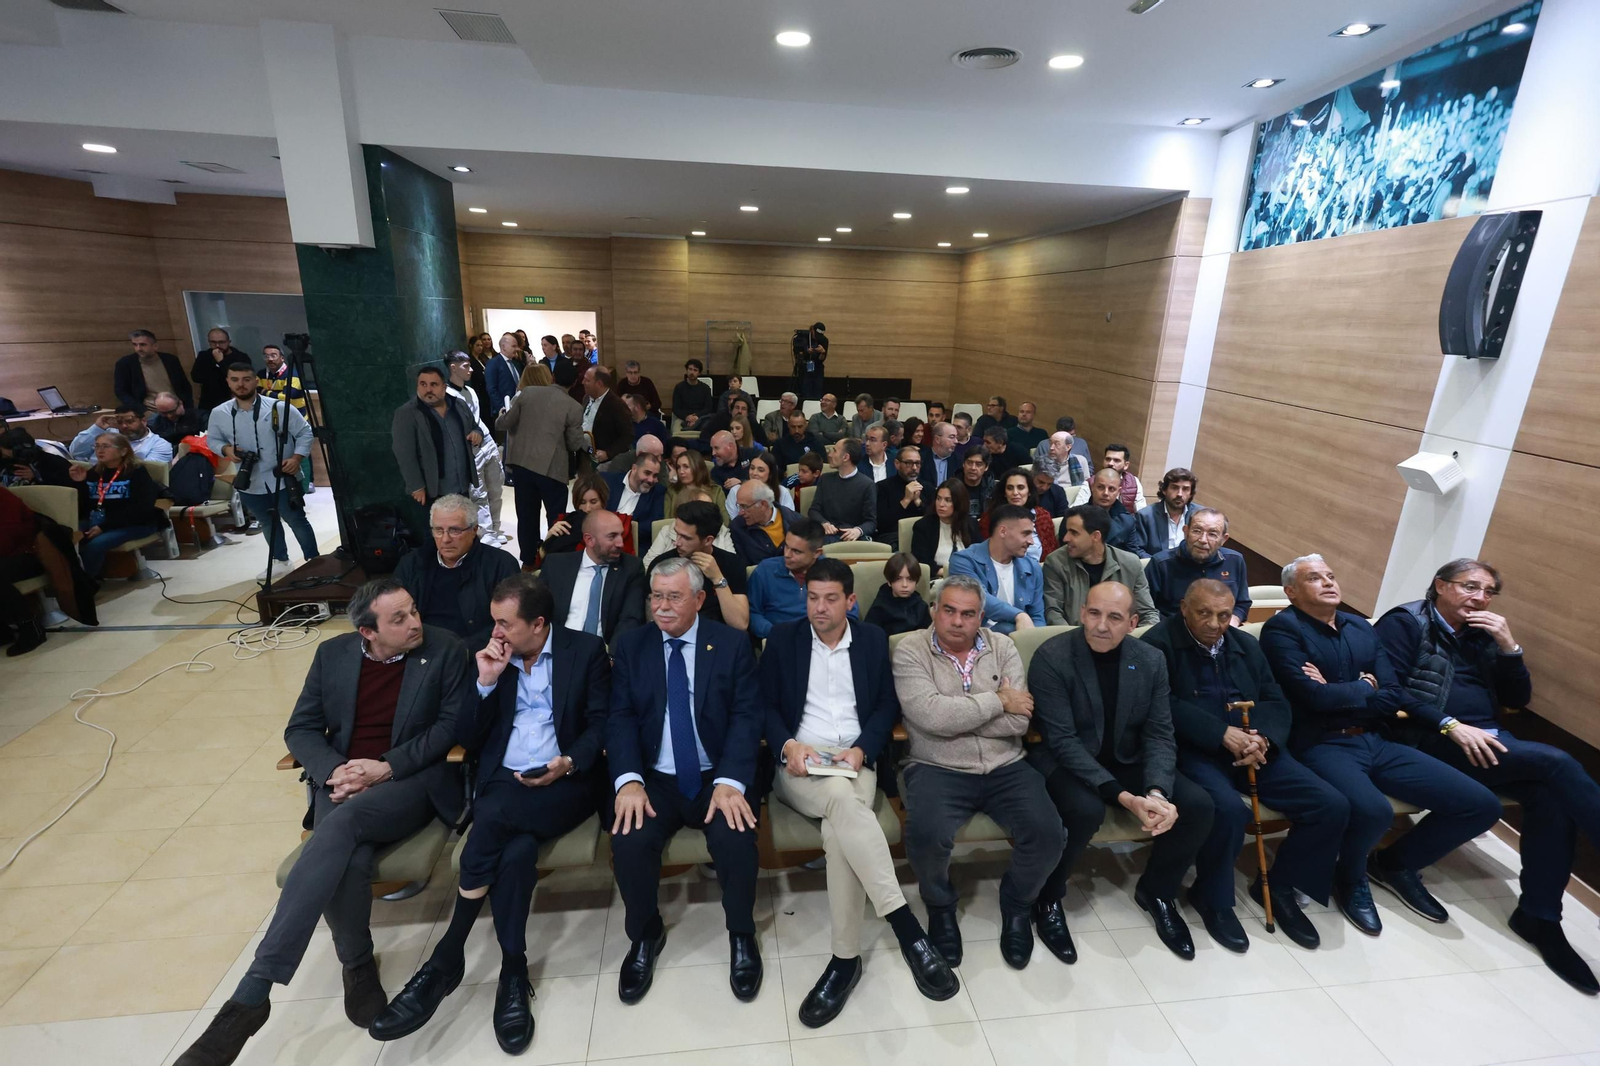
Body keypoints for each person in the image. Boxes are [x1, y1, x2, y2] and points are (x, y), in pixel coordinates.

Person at [172, 579, 470, 1066]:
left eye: (413, 611)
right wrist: (335, 770)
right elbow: (301, 727)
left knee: (338, 832)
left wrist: (385, 766)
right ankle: (357, 965)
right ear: (367, 631)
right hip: (343, 781)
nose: (415, 622)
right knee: (346, 856)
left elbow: (448, 730)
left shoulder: (444, 650)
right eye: (399, 619)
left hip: (407, 782)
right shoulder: (333, 656)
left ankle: (253, 991)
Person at [371, 575, 610, 1053]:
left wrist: (566, 761)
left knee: (495, 818)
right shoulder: (487, 658)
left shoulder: (585, 651)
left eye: (505, 623)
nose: (495, 632)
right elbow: (468, 736)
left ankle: (447, 955)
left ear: (539, 624)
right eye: (494, 620)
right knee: (516, 852)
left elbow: (603, 722)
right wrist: (484, 682)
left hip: (564, 780)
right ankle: (513, 970)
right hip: (505, 777)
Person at [1376, 559, 1600, 993]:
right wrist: (1450, 725)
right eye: (1469, 586)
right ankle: (1394, 865)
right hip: (1428, 737)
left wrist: (1508, 647)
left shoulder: (1482, 634)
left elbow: (1517, 698)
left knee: (1550, 795)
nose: (1480, 597)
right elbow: (1391, 690)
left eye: (1489, 591)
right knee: (1556, 764)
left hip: (1491, 741)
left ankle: (1539, 916)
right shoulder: (1405, 622)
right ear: (1440, 585)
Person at [1261, 554, 1501, 937]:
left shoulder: (1360, 626)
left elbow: (1392, 694)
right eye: (1314, 578)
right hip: (1322, 743)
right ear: (1290, 591)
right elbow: (1311, 699)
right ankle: (1349, 876)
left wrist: (1344, 690)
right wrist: (1363, 686)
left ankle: (1393, 864)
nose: (1328, 582)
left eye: (1331, 575)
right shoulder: (1282, 629)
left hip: (1376, 738)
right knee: (1373, 811)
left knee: (1480, 805)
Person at [763, 558, 957, 1025]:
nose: (819, 608)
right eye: (812, 598)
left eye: (831, 599)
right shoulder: (784, 640)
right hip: (801, 764)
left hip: (854, 761)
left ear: (851, 601)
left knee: (839, 832)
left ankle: (844, 961)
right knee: (842, 805)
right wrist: (788, 744)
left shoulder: (870, 640)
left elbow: (887, 702)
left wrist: (864, 748)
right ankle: (907, 929)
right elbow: (762, 703)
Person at [1143, 581, 1348, 952]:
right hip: (1193, 750)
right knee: (1228, 812)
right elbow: (1161, 705)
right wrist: (1221, 732)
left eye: (1224, 615)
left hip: (1254, 748)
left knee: (1329, 805)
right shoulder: (1157, 643)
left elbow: (1274, 698)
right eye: (1204, 613)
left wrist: (1262, 738)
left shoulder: (1245, 645)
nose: (1214, 623)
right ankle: (1213, 898)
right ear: (1184, 608)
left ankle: (1281, 885)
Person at [607, 558, 764, 1003]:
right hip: (654, 778)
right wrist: (629, 781)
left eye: (674, 597)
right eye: (656, 596)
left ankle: (740, 932)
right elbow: (618, 719)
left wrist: (732, 780)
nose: (662, 607)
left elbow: (747, 717)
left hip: (717, 774)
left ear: (698, 599)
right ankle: (644, 934)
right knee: (629, 840)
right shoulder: (633, 646)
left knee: (735, 838)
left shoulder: (730, 644)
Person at [1027, 582, 1210, 962]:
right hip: (1065, 760)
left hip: (1127, 758)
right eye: (1094, 613)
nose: (1101, 625)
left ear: (1132, 622)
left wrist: (1157, 792)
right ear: (1081, 613)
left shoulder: (1150, 659)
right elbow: (1061, 741)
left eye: (1114, 618)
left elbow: (1160, 733)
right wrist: (1124, 797)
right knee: (1085, 810)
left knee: (1197, 805)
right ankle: (1048, 897)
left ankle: (1158, 892)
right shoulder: (1053, 656)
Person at [894, 576, 1063, 969]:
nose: (956, 621)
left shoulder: (1002, 646)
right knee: (925, 835)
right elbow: (929, 716)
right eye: (948, 610)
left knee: (1049, 833)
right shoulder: (909, 650)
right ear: (934, 611)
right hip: (937, 764)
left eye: (968, 614)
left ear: (981, 617)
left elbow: (1019, 722)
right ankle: (940, 906)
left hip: (1006, 763)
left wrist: (960, 714)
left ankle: (1017, 903)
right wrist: (997, 701)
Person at [206, 362, 318, 580]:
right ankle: (280, 560)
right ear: (228, 382)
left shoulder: (280, 408)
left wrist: (297, 458)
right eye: (235, 379)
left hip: (283, 477)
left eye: (246, 379)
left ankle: (315, 561)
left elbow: (305, 433)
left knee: (297, 520)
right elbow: (213, 440)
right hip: (249, 479)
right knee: (267, 521)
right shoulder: (219, 413)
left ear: (255, 381)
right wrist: (226, 449)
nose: (241, 384)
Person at [393, 494, 519, 649]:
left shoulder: (501, 565)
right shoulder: (412, 563)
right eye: (438, 530)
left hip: (476, 652)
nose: (445, 539)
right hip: (419, 649)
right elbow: (394, 613)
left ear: (474, 530)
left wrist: (459, 650)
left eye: (455, 530)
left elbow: (511, 623)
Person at [497, 363, 586, 567]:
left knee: (526, 516)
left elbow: (505, 423)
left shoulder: (527, 393)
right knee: (556, 517)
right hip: (552, 470)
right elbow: (573, 443)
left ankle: (528, 561)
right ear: (574, 383)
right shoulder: (573, 406)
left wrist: (500, 416)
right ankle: (552, 559)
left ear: (553, 376)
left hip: (522, 465)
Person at [540, 509, 647, 643]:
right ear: (589, 540)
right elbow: (537, 609)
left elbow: (631, 618)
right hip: (558, 646)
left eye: (621, 535)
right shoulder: (556, 565)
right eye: (612, 536)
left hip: (603, 653)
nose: (620, 543)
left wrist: (613, 656)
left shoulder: (631, 568)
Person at [1043, 504, 1159, 627]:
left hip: (1122, 640)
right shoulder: (1056, 562)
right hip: (1073, 639)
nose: (1066, 538)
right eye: (1067, 531)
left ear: (1095, 536)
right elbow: (1053, 613)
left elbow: (1147, 614)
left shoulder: (1130, 564)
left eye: (1074, 533)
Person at [66, 432, 164, 578]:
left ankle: (85, 587)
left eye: (106, 446)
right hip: (99, 520)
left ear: (123, 451)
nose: (100, 450)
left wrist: (104, 527)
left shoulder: (136, 472)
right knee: (65, 538)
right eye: (97, 446)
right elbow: (85, 506)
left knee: (96, 545)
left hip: (136, 523)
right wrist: (79, 483)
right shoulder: (94, 472)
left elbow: (140, 509)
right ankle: (69, 582)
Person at [747, 517, 857, 639]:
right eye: (786, 546)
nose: (787, 555)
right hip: (780, 641)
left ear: (817, 553)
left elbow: (850, 614)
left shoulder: (835, 573)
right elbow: (753, 613)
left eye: (796, 551)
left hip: (825, 641)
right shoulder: (765, 571)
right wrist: (775, 633)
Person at [647, 499, 748, 629]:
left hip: (717, 637)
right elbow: (652, 620)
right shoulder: (661, 564)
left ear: (708, 540)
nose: (677, 542)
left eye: (686, 538)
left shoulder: (732, 564)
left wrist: (718, 578)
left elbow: (740, 624)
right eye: (676, 534)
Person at [947, 504, 1046, 634]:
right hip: (974, 639)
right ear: (1003, 531)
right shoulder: (963, 561)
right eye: (1025, 534)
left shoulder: (1032, 568)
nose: (1031, 541)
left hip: (1020, 640)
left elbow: (1038, 617)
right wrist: (1020, 616)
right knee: (1007, 628)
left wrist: (1033, 639)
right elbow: (979, 599)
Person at [444, 350, 508, 546]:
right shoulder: (448, 395)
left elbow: (477, 418)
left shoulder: (470, 391)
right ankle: (485, 532)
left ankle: (495, 528)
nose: (470, 370)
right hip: (472, 449)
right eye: (466, 366)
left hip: (487, 441)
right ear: (453, 367)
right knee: (479, 492)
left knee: (495, 487)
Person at [1146, 508, 1251, 623]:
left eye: (1212, 534)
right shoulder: (1161, 563)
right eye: (1197, 531)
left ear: (1223, 539)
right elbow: (1146, 609)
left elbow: (1242, 604)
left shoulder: (1235, 561)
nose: (1203, 540)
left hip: (1221, 630)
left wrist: (1232, 621)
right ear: (1186, 532)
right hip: (1173, 632)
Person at [641, 486, 734, 566]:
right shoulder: (666, 534)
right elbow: (648, 565)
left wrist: (718, 578)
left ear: (708, 540)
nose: (709, 512)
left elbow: (730, 565)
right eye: (702, 507)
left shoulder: (722, 531)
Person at [979, 467, 1057, 562]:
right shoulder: (990, 518)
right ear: (1004, 493)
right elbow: (986, 554)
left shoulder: (1042, 516)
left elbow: (1052, 555)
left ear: (1029, 492)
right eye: (1010, 488)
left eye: (1021, 488)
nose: (1015, 493)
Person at [809, 437, 876, 543]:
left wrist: (858, 530)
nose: (830, 455)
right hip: (827, 536)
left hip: (853, 538)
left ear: (845, 457)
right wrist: (824, 523)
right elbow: (814, 510)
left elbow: (871, 522)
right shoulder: (825, 479)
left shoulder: (867, 485)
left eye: (834, 451)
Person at [909, 479, 979, 579]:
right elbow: (922, 562)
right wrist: (949, 572)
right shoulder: (923, 526)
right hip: (938, 579)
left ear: (959, 502)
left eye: (948, 500)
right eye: (938, 498)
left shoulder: (971, 525)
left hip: (968, 578)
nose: (941, 504)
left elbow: (980, 556)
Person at [540, 472, 619, 558]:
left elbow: (627, 565)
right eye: (582, 502)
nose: (588, 508)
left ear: (603, 501)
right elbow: (542, 560)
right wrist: (549, 536)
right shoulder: (565, 522)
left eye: (593, 502)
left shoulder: (621, 522)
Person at [114, 329, 192, 413]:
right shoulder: (125, 364)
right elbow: (121, 392)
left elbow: (184, 386)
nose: (138, 349)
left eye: (143, 345)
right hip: (149, 412)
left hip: (177, 409)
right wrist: (142, 411)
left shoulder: (170, 360)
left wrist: (187, 407)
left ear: (155, 346)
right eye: (135, 345)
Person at [1075, 467, 1146, 557]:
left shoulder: (1127, 521)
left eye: (1111, 489)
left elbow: (1132, 556)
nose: (1105, 493)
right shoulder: (1075, 517)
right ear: (1092, 488)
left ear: (1119, 492)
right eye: (1100, 487)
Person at [728, 480, 798, 568]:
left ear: (763, 505)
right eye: (739, 506)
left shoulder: (795, 520)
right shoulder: (737, 528)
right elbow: (743, 569)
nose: (740, 512)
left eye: (745, 507)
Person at [69, 407, 173, 464]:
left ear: (144, 421)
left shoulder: (159, 444)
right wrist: (97, 428)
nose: (124, 426)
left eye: (129, 421)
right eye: (119, 422)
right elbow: (75, 452)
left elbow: (149, 472)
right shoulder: (106, 435)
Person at [1135, 468, 1200, 557]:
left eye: (1185, 489)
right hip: (1157, 568)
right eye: (1174, 487)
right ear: (1164, 490)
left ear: (1191, 494)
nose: (1180, 494)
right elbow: (1137, 549)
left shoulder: (1200, 515)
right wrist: (1159, 566)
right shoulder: (1145, 516)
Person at [864, 552, 932, 636]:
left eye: (910, 579)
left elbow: (928, 637)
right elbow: (871, 636)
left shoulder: (921, 606)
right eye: (898, 579)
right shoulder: (879, 607)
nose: (904, 585)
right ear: (889, 581)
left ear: (916, 582)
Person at [1071, 444, 1146, 513]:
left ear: (1126, 465)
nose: (1110, 463)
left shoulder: (1134, 482)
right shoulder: (1090, 483)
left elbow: (1141, 512)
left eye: (1116, 460)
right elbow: (1076, 511)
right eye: (1108, 459)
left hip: (1124, 524)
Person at [600, 451, 666, 529]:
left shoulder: (658, 492)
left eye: (655, 475)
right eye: (647, 473)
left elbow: (650, 527)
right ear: (634, 469)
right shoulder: (607, 481)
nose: (651, 480)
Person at [875, 446, 924, 550]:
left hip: (922, 537)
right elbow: (882, 524)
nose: (914, 467)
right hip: (893, 538)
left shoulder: (927, 487)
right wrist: (905, 500)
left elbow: (934, 518)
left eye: (917, 463)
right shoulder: (882, 487)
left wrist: (918, 503)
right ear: (897, 464)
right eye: (909, 463)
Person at [582, 367, 633, 465]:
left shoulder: (617, 405)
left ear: (599, 384)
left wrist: (608, 453)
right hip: (585, 455)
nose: (583, 382)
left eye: (587, 380)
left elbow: (627, 436)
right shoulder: (586, 398)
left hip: (604, 461)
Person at [663, 447, 727, 520]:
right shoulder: (672, 491)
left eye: (686, 467)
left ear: (698, 468)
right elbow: (667, 521)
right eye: (678, 467)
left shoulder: (716, 491)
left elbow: (724, 521)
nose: (681, 471)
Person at [729, 452, 793, 521]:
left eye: (760, 470)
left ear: (770, 474)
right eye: (752, 468)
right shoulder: (735, 491)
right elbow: (734, 522)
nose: (754, 473)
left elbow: (789, 520)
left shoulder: (783, 492)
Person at [191, 327, 239, 415]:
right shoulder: (204, 356)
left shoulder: (239, 357)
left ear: (229, 342)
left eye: (221, 342)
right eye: (213, 342)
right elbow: (196, 377)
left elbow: (236, 377)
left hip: (230, 401)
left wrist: (221, 362)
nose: (217, 346)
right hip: (208, 404)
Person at [486, 334, 527, 424]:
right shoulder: (493, 363)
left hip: (519, 411)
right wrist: (502, 408)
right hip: (503, 413)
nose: (517, 349)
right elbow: (492, 389)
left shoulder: (516, 364)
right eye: (513, 346)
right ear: (503, 347)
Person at [671, 359, 714, 432]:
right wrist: (686, 417)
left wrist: (696, 416)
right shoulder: (679, 387)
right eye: (690, 369)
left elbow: (708, 407)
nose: (692, 372)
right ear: (686, 370)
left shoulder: (705, 388)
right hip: (683, 418)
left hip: (700, 418)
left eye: (695, 370)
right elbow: (675, 408)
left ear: (699, 373)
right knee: (676, 432)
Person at [918, 421, 960, 496]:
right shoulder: (921, 458)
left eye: (956, 437)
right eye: (952, 437)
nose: (956, 441)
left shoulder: (959, 460)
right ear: (937, 439)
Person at [259, 345, 307, 411]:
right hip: (272, 415)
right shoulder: (261, 374)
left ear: (282, 358)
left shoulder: (293, 374)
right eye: (266, 356)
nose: (270, 359)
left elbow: (287, 397)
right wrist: (277, 395)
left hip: (295, 416)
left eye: (273, 356)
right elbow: (256, 393)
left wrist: (265, 392)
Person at [957, 449, 995, 525]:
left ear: (986, 467)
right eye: (969, 463)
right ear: (963, 464)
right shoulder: (953, 487)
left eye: (978, 464)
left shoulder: (994, 489)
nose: (973, 468)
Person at [794, 321, 828, 398]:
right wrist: (806, 351)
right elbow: (797, 353)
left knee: (817, 391)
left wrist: (823, 352)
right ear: (812, 330)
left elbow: (821, 359)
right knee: (806, 391)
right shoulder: (804, 338)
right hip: (805, 367)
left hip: (817, 368)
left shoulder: (824, 340)